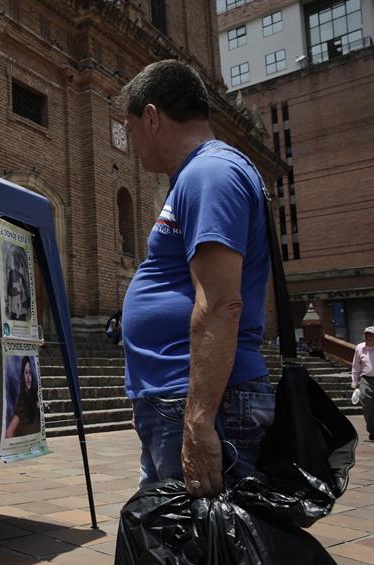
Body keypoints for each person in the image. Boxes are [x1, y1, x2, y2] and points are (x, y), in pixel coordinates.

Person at [120, 60, 273, 498]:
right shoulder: (196, 176)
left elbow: (222, 303)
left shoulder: (210, 174)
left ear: (151, 118)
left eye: (130, 131)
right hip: (175, 396)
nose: (132, 146)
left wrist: (198, 418)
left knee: (205, 552)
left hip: (207, 403)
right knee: (185, 548)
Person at [5, 356, 40, 438]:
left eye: (30, 373)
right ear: (23, 375)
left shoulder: (35, 395)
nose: (28, 377)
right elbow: (9, 432)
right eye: (26, 373)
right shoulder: (22, 402)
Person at [351, 325, 374, 442]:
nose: (368, 337)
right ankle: (372, 430)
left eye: (370, 335)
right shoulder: (359, 348)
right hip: (366, 379)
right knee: (367, 405)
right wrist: (354, 382)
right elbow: (356, 366)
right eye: (366, 335)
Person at [4, 245, 30, 321]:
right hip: (15, 307)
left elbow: (25, 290)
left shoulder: (21, 276)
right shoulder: (12, 274)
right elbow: (9, 290)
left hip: (21, 307)